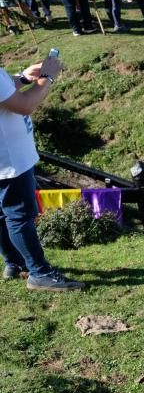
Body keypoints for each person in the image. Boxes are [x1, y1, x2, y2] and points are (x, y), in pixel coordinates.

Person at [1, 57, 85, 291]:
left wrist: (24, 78)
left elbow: (4, 88)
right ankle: (39, 273)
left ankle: (14, 262)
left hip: (4, 159)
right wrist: (47, 77)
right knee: (19, 217)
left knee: (3, 215)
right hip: (10, 160)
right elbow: (25, 105)